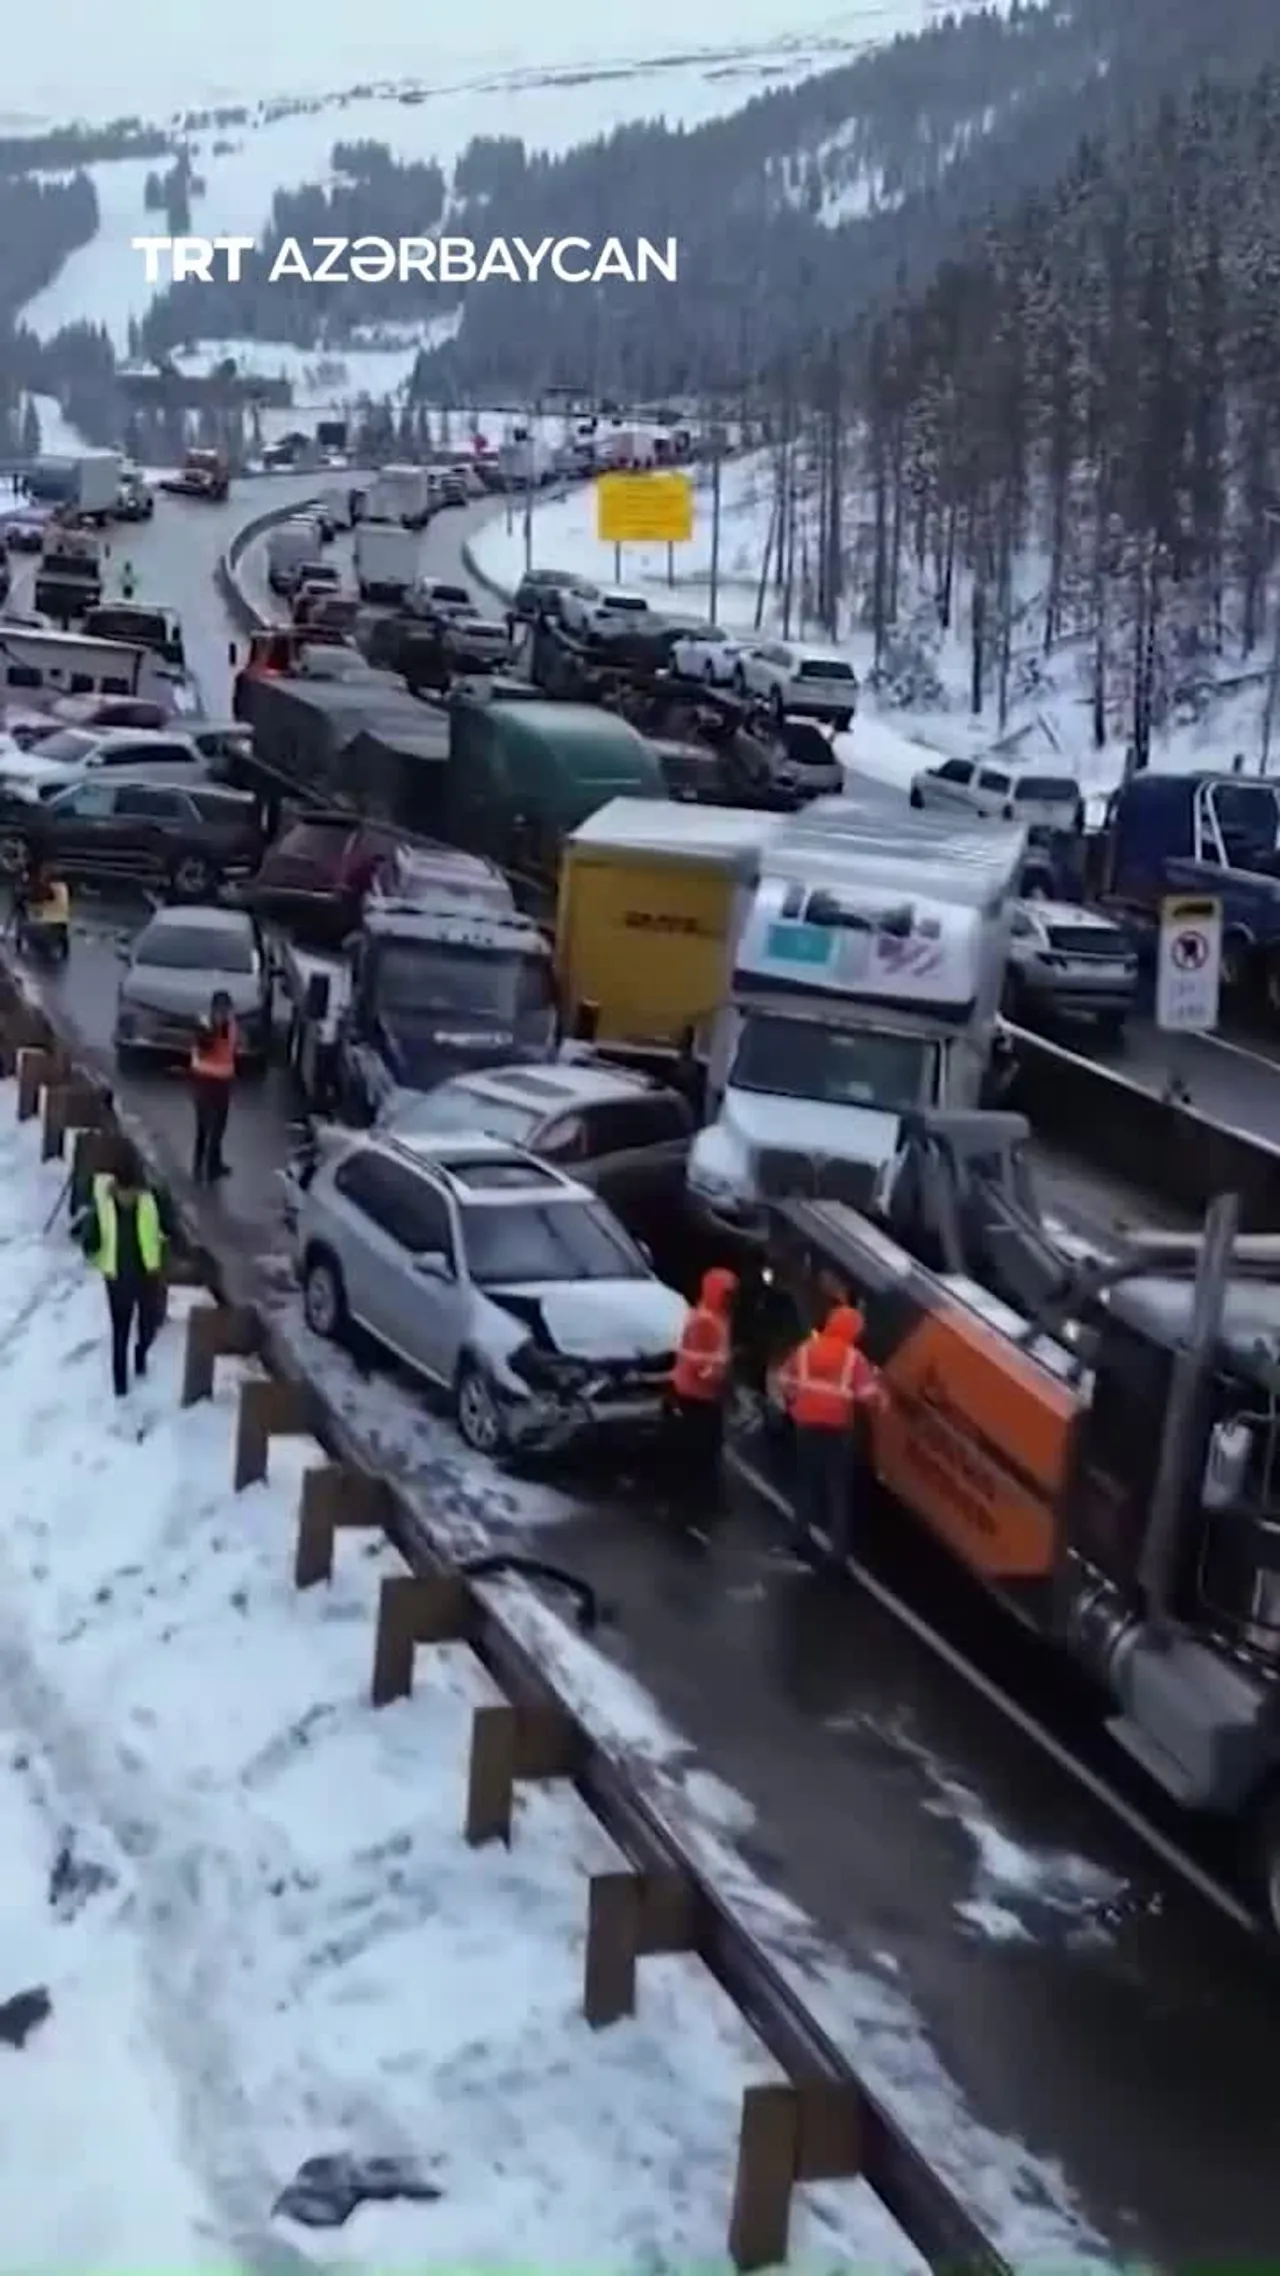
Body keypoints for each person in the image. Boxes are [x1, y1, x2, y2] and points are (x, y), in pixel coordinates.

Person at [771, 1304, 887, 1558]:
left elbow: (784, 1380)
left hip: (806, 1425)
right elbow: (867, 1396)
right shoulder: (854, 1359)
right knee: (837, 1490)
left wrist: (795, 1404)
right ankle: (838, 1552)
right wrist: (882, 1396)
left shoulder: (806, 1350)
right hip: (837, 1429)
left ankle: (797, 1537)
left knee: (806, 1483)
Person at [71, 1148, 173, 1398]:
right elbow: (90, 1238)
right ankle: (120, 1386)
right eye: (126, 1193)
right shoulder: (103, 1208)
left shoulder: (151, 1202)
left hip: (147, 1274)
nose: (130, 1198)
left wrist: (165, 1245)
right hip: (116, 1278)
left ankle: (141, 1351)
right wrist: (92, 1250)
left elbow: (167, 1227)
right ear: (117, 1189)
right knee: (120, 1331)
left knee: (149, 1324)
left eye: (134, 1192)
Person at [667, 1266, 738, 1491]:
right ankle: (698, 1494)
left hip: (702, 1392)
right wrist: (720, 1377)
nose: (731, 1299)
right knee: (702, 1446)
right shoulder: (706, 1321)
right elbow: (701, 1363)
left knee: (705, 1445)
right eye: (727, 1294)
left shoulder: (714, 1316)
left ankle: (698, 1491)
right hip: (697, 1393)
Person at [190, 989, 237, 1185]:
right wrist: (211, 1029)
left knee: (219, 1126)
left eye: (226, 1010)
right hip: (204, 1082)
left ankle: (214, 1164)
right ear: (213, 1009)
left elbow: (230, 1050)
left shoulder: (231, 1026)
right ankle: (202, 1167)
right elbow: (203, 1043)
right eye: (220, 1010)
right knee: (205, 1127)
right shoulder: (205, 1026)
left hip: (223, 1083)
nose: (223, 1013)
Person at [15, 859, 70, 962]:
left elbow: (37, 898)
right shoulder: (60, 888)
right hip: (54, 929)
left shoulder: (45, 888)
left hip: (43, 929)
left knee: (24, 917)